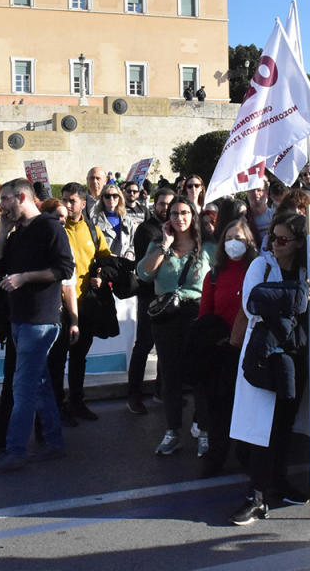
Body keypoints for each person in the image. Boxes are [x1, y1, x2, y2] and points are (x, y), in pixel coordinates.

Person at [0, 178, 75, 471]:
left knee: (22, 387)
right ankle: (55, 442)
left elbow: (64, 268)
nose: (2, 206)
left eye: (6, 200)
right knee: (40, 384)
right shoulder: (15, 233)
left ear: (21, 197)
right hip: (19, 319)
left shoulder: (49, 227)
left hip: (41, 321)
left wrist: (25, 277)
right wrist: (1, 232)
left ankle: (16, 450)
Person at [230, 212, 310, 525]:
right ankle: (256, 495)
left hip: (296, 357)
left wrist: (303, 300)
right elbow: (253, 305)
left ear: (297, 243)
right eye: (272, 238)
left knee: (284, 424)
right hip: (266, 356)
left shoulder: (309, 270)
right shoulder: (261, 266)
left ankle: (278, 482)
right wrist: (297, 297)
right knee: (260, 427)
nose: (276, 245)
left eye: (283, 239)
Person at [137, 196, 209, 456]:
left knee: (201, 376)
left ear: (193, 215)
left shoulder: (206, 247)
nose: (180, 218)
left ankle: (204, 430)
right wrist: (165, 245)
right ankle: (172, 432)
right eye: (175, 213)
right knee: (170, 376)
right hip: (166, 316)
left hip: (197, 314)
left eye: (185, 213)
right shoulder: (158, 243)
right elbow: (144, 273)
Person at [196, 217, 258, 476]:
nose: (234, 243)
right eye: (229, 238)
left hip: (252, 350)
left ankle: (247, 456)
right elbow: (204, 315)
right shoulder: (214, 275)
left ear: (250, 242)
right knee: (219, 410)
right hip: (223, 352)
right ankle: (216, 456)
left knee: (249, 409)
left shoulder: (258, 270)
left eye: (240, 238)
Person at [51, 182, 111, 423]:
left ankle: (77, 402)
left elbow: (106, 260)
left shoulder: (94, 232)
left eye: (72, 200)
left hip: (84, 305)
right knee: (56, 359)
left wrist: (100, 275)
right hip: (58, 307)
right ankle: (57, 406)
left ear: (83, 204)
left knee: (79, 357)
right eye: (64, 199)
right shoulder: (54, 230)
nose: (67, 204)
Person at [127, 186, 175, 414]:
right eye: (162, 204)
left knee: (167, 347)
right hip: (149, 296)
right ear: (154, 205)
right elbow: (150, 266)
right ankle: (133, 395)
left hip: (171, 296)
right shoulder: (147, 231)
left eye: (170, 204)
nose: (166, 208)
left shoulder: (178, 229)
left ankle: (161, 391)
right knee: (144, 345)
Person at [89, 182, 138, 259]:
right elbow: (91, 246)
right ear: (102, 198)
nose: (111, 199)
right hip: (105, 265)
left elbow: (134, 242)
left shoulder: (127, 220)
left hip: (125, 264)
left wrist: (130, 252)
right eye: (107, 196)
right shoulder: (95, 221)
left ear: (119, 198)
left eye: (115, 196)